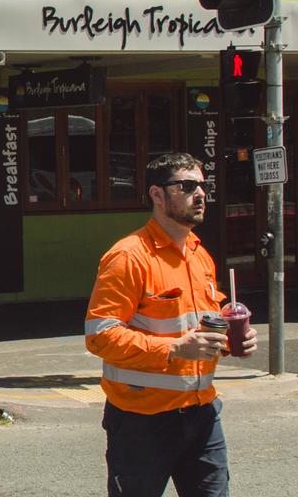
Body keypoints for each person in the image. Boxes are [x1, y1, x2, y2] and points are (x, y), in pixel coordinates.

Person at [85, 152, 257, 496]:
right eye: (187, 185)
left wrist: (232, 334)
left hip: (202, 412)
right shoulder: (129, 256)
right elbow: (100, 336)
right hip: (141, 421)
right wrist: (176, 348)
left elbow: (202, 322)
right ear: (157, 194)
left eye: (203, 186)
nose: (200, 194)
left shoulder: (198, 253)